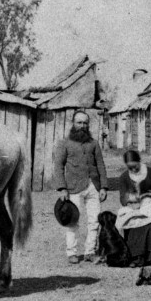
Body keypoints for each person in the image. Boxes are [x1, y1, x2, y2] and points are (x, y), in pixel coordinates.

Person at [52, 110, 108, 264]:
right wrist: (62, 188)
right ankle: (72, 253)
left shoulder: (94, 143)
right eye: (79, 122)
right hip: (73, 188)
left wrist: (103, 187)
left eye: (85, 123)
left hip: (93, 187)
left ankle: (90, 252)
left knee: (94, 221)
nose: (82, 126)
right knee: (72, 221)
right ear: (73, 123)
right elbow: (58, 166)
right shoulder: (64, 143)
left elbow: (101, 165)